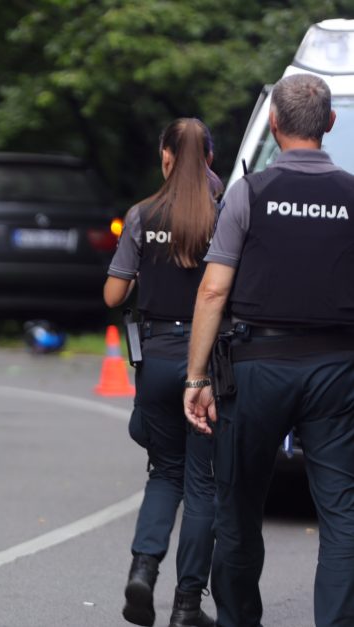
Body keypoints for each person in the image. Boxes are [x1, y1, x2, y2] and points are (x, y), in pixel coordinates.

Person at [184, 73, 354, 627]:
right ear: (329, 124)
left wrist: (195, 378)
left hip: (255, 370)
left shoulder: (248, 192)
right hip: (336, 370)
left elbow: (213, 289)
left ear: (274, 124)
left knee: (237, 509)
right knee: (342, 515)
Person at [105, 118, 222, 627]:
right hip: (208, 365)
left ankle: (142, 570)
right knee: (203, 486)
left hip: (155, 357)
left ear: (166, 157)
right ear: (211, 160)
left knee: (164, 473)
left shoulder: (141, 214)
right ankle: (187, 605)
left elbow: (113, 294)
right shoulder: (224, 211)